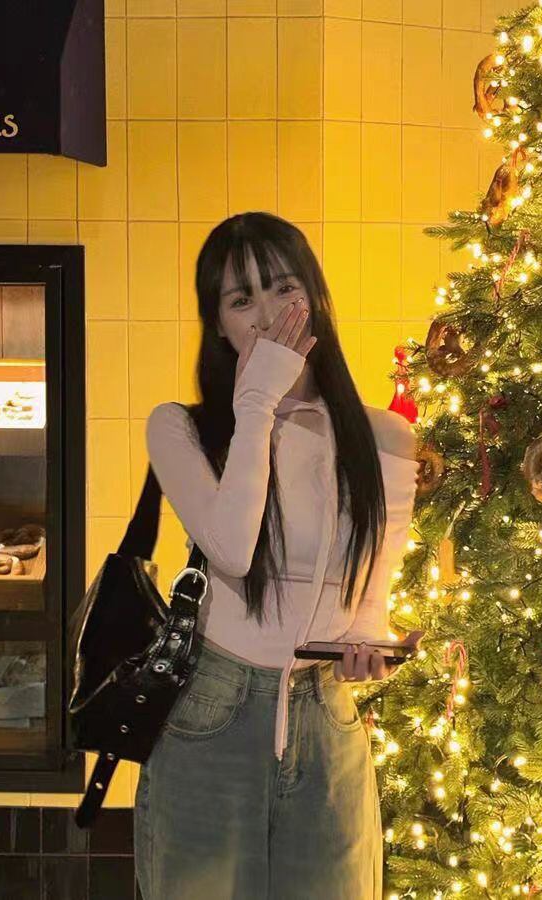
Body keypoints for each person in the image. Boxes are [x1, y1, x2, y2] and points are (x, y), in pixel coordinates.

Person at [134, 211, 420, 900]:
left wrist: (368, 651)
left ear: (314, 297)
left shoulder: (384, 438)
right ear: (219, 324)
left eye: (283, 288)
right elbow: (232, 550)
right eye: (241, 299)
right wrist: (257, 399)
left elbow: (368, 599)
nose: (266, 316)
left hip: (327, 722)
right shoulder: (182, 428)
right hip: (212, 711)